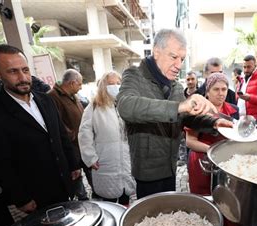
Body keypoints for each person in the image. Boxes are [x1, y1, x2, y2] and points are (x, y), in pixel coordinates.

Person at [116, 29, 232, 199]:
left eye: (182, 59)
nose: (179, 65)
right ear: (156, 52)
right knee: (152, 220)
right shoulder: (134, 75)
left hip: (170, 165)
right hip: (148, 169)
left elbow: (186, 116)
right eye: (173, 57)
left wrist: (213, 123)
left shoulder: (175, 85)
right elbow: (126, 106)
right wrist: (180, 106)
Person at [0, 44, 80, 213]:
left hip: (64, 184)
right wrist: (21, 198)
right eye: (13, 71)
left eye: (25, 70)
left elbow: (60, 135)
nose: (23, 77)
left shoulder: (46, 100)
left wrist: (72, 164)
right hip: (35, 196)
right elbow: (0, 164)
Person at [79, 71, 136, 205]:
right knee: (108, 199)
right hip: (105, 160)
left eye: (118, 83)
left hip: (126, 158)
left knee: (125, 195)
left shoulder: (126, 105)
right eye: (111, 84)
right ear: (104, 86)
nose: (115, 86)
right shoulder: (94, 106)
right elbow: (84, 133)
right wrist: (90, 157)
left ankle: (123, 219)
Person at [186, 73, 239, 195]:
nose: (221, 93)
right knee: (203, 197)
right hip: (202, 161)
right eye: (216, 89)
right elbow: (190, 141)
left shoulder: (234, 110)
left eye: (224, 89)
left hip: (226, 160)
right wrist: (213, 150)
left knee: (224, 195)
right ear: (207, 91)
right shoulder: (197, 111)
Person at [48, 69, 89, 200]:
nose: (81, 87)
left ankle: (92, 195)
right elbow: (55, 122)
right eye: (80, 84)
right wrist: (70, 135)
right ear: (72, 83)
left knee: (88, 170)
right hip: (70, 147)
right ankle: (82, 200)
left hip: (81, 143)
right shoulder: (52, 96)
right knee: (76, 175)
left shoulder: (73, 95)